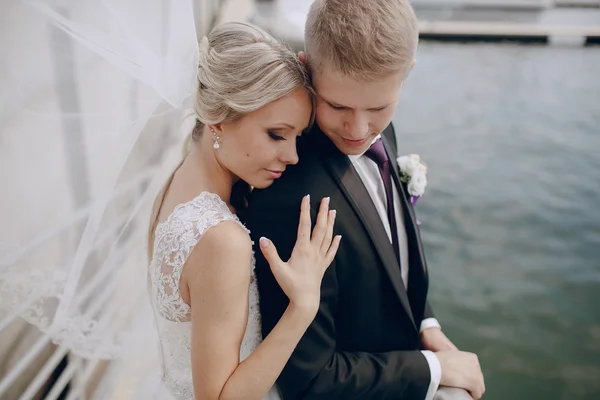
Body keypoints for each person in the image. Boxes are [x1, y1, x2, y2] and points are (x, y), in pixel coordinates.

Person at [244, 1, 485, 399]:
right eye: (337, 105)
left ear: (407, 72)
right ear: (307, 69)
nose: (358, 129)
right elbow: (307, 378)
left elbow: (393, 256)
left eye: (378, 107)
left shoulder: (382, 135)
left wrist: (427, 325)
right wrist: (432, 368)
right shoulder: (289, 199)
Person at [146, 21, 341, 400]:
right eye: (276, 134)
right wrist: (302, 306)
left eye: (297, 137)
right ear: (218, 117)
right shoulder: (222, 240)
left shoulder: (175, 184)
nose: (293, 156)